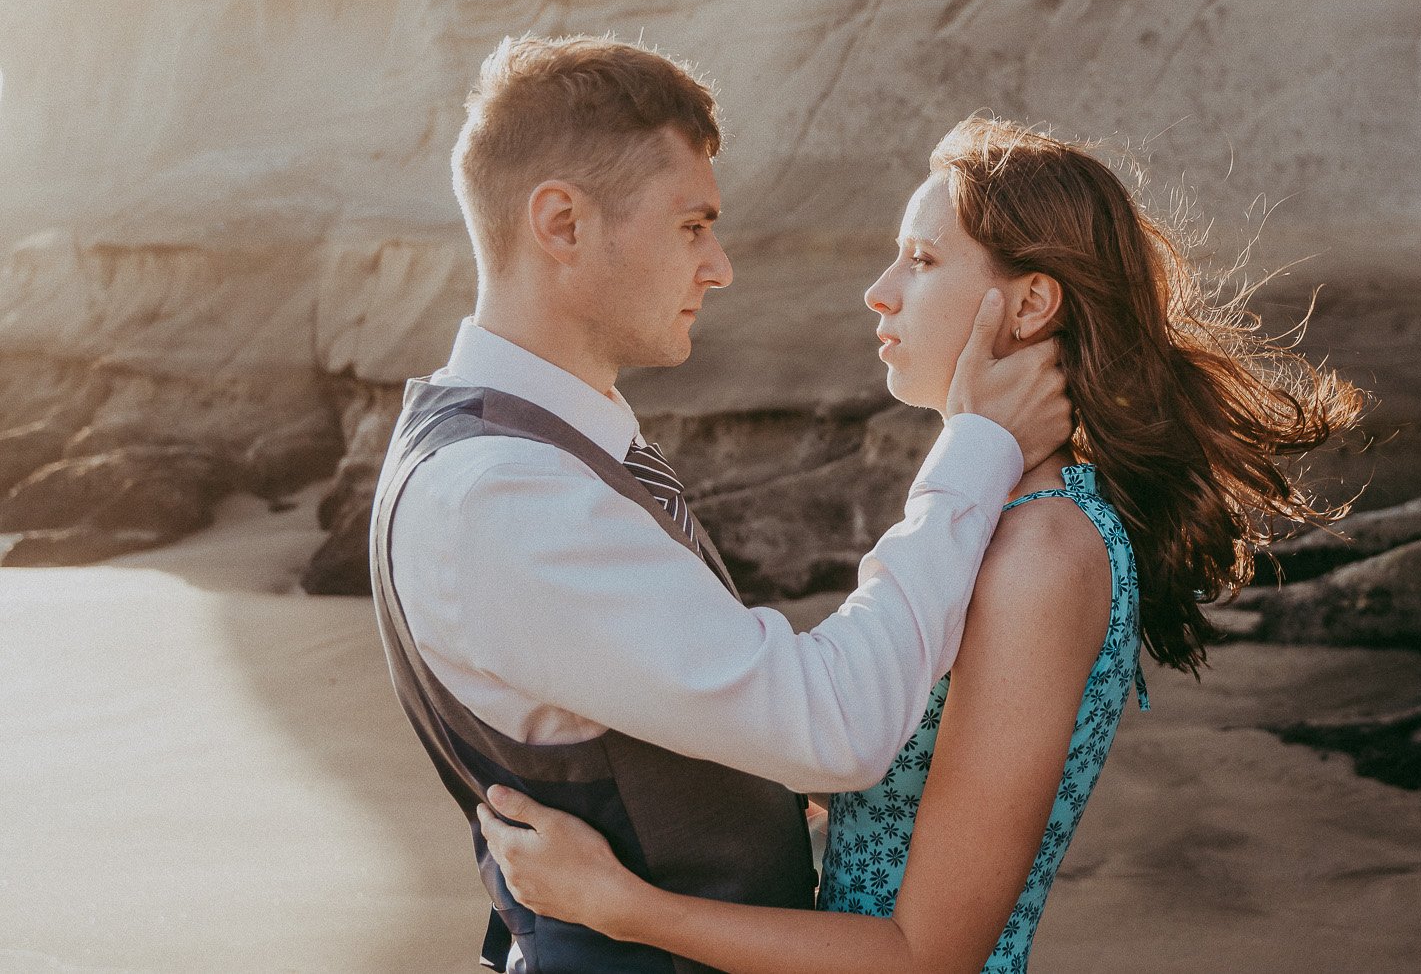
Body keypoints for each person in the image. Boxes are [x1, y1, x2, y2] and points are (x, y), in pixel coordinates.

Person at [477, 117, 1363, 974]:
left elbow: (928, 953)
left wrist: (618, 903)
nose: (881, 289)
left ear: (1030, 303)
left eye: (924, 259)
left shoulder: (1045, 553)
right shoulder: (993, 519)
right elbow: (899, 789)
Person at [368, 37, 1074, 974]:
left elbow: (667, 721)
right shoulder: (499, 497)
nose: (721, 265)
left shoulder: (531, 451)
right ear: (562, 223)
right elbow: (838, 724)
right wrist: (979, 448)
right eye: (692, 225)